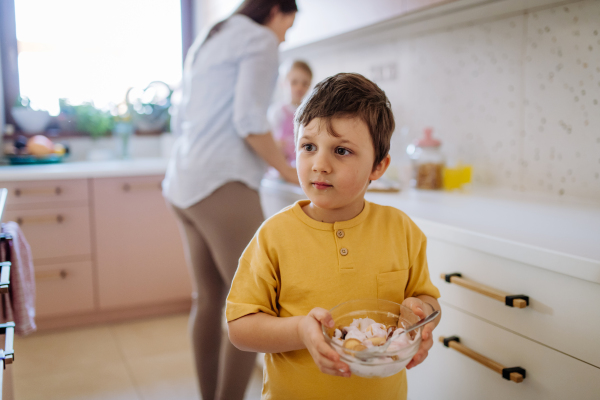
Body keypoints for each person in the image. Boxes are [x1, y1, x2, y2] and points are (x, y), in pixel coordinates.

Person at [226, 73, 442, 399]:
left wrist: (422, 316)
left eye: (341, 151)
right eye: (308, 147)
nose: (320, 164)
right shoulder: (274, 236)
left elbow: (427, 301)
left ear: (378, 167)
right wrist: (300, 329)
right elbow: (240, 328)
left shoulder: (402, 231)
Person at [162, 1, 298, 399]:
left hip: (184, 181)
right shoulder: (259, 39)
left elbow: (186, 113)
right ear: (275, 10)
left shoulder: (212, 35)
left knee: (209, 299)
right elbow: (249, 121)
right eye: (287, 26)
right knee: (253, 307)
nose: (285, 37)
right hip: (221, 182)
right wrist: (290, 171)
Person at [268, 60, 313, 166]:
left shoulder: (309, 113)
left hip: (301, 166)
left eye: (305, 83)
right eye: (294, 82)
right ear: (283, 83)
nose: (299, 87)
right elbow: (270, 143)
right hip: (280, 167)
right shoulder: (277, 112)